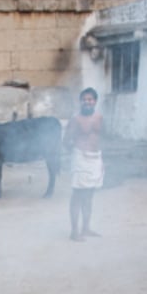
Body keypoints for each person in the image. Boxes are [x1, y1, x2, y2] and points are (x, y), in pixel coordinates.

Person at [63, 87, 105, 242]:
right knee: (78, 195)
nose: (87, 102)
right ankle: (74, 232)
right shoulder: (76, 119)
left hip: (96, 158)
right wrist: (76, 154)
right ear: (80, 102)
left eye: (90, 99)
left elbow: (101, 137)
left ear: (95, 101)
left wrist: (101, 159)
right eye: (84, 99)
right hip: (80, 157)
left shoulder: (100, 117)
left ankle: (86, 228)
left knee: (90, 195)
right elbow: (66, 141)